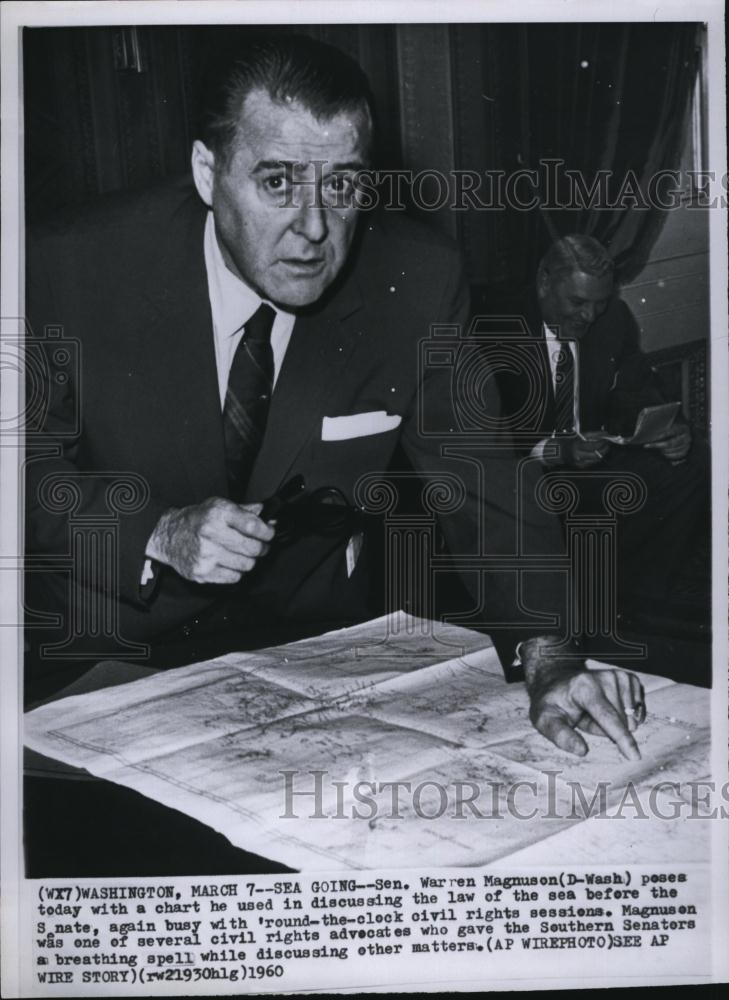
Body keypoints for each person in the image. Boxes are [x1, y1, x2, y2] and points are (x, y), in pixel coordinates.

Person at [25, 36, 646, 763]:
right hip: (100, 652)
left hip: (305, 653)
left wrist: (549, 654)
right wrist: (156, 532)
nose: (315, 228)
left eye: (343, 187)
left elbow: (487, 482)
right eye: (278, 183)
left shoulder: (415, 280)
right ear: (206, 172)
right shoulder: (65, 266)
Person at [487, 234, 708, 650]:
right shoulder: (494, 327)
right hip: (521, 470)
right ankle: (582, 613)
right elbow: (482, 431)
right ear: (543, 283)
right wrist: (557, 449)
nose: (589, 316)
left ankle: (638, 602)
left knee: (691, 463)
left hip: (593, 458)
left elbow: (635, 390)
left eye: (600, 303)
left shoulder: (614, 320)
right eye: (577, 302)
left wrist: (666, 427)